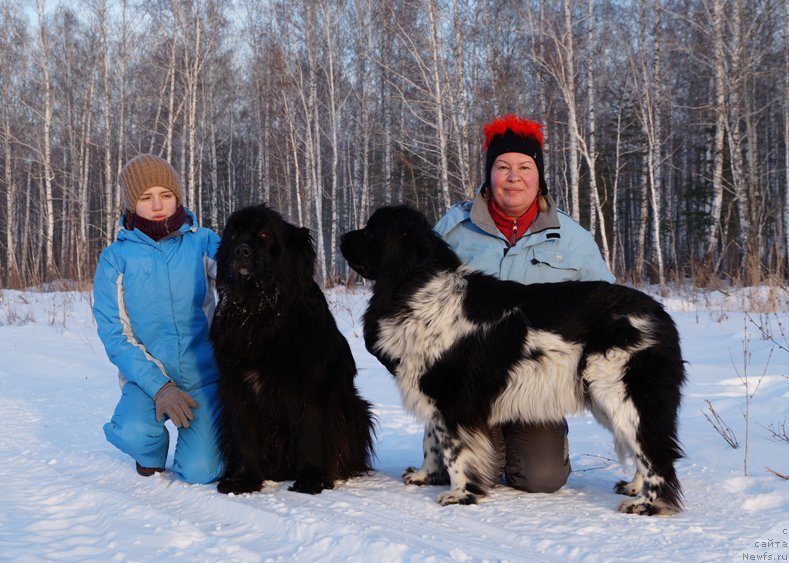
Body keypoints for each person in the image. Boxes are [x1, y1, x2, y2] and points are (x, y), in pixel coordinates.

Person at [434, 115, 614, 493]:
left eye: (524, 167)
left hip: (539, 383)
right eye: (502, 167)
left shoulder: (572, 239)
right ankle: (451, 440)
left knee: (541, 478)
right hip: (470, 385)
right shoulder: (452, 231)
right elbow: (414, 302)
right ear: (489, 175)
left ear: (539, 176)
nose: (513, 177)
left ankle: (530, 445)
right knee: (479, 473)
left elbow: (607, 308)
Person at [93, 154, 224, 484]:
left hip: (204, 377)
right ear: (131, 204)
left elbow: (244, 277)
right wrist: (160, 386)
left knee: (201, 471)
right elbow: (114, 333)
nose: (157, 205)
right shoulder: (115, 259)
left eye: (165, 195)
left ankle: (196, 442)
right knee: (132, 431)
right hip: (149, 381)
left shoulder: (204, 242)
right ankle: (150, 452)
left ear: (177, 197)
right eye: (145, 197)